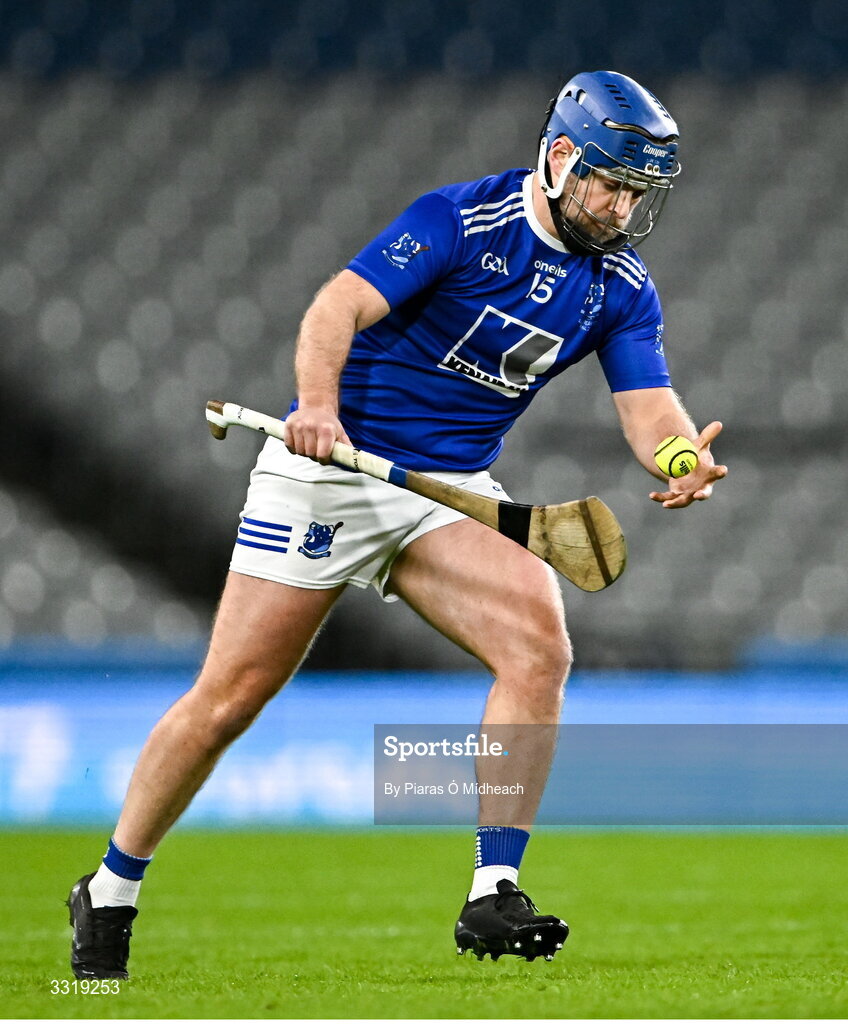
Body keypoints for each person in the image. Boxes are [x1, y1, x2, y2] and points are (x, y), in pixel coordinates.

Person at [67, 69, 727, 977]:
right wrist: (316, 407)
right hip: (329, 474)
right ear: (562, 156)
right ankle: (110, 888)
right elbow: (335, 307)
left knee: (539, 648)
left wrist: (684, 460)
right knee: (231, 697)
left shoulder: (618, 285)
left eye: (635, 193)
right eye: (610, 183)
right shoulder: (460, 222)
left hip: (444, 489)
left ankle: (492, 891)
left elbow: (650, 409)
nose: (619, 208)